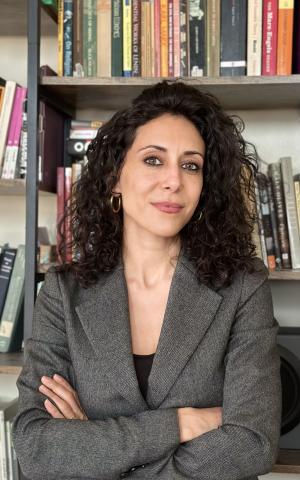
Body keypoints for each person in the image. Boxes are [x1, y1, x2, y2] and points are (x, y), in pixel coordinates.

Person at [12, 80, 282, 480]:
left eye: (191, 165)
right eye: (154, 160)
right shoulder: (63, 291)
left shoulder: (242, 286)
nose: (174, 180)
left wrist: (96, 448)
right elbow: (36, 447)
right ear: (114, 178)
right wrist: (179, 424)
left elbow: (251, 445)